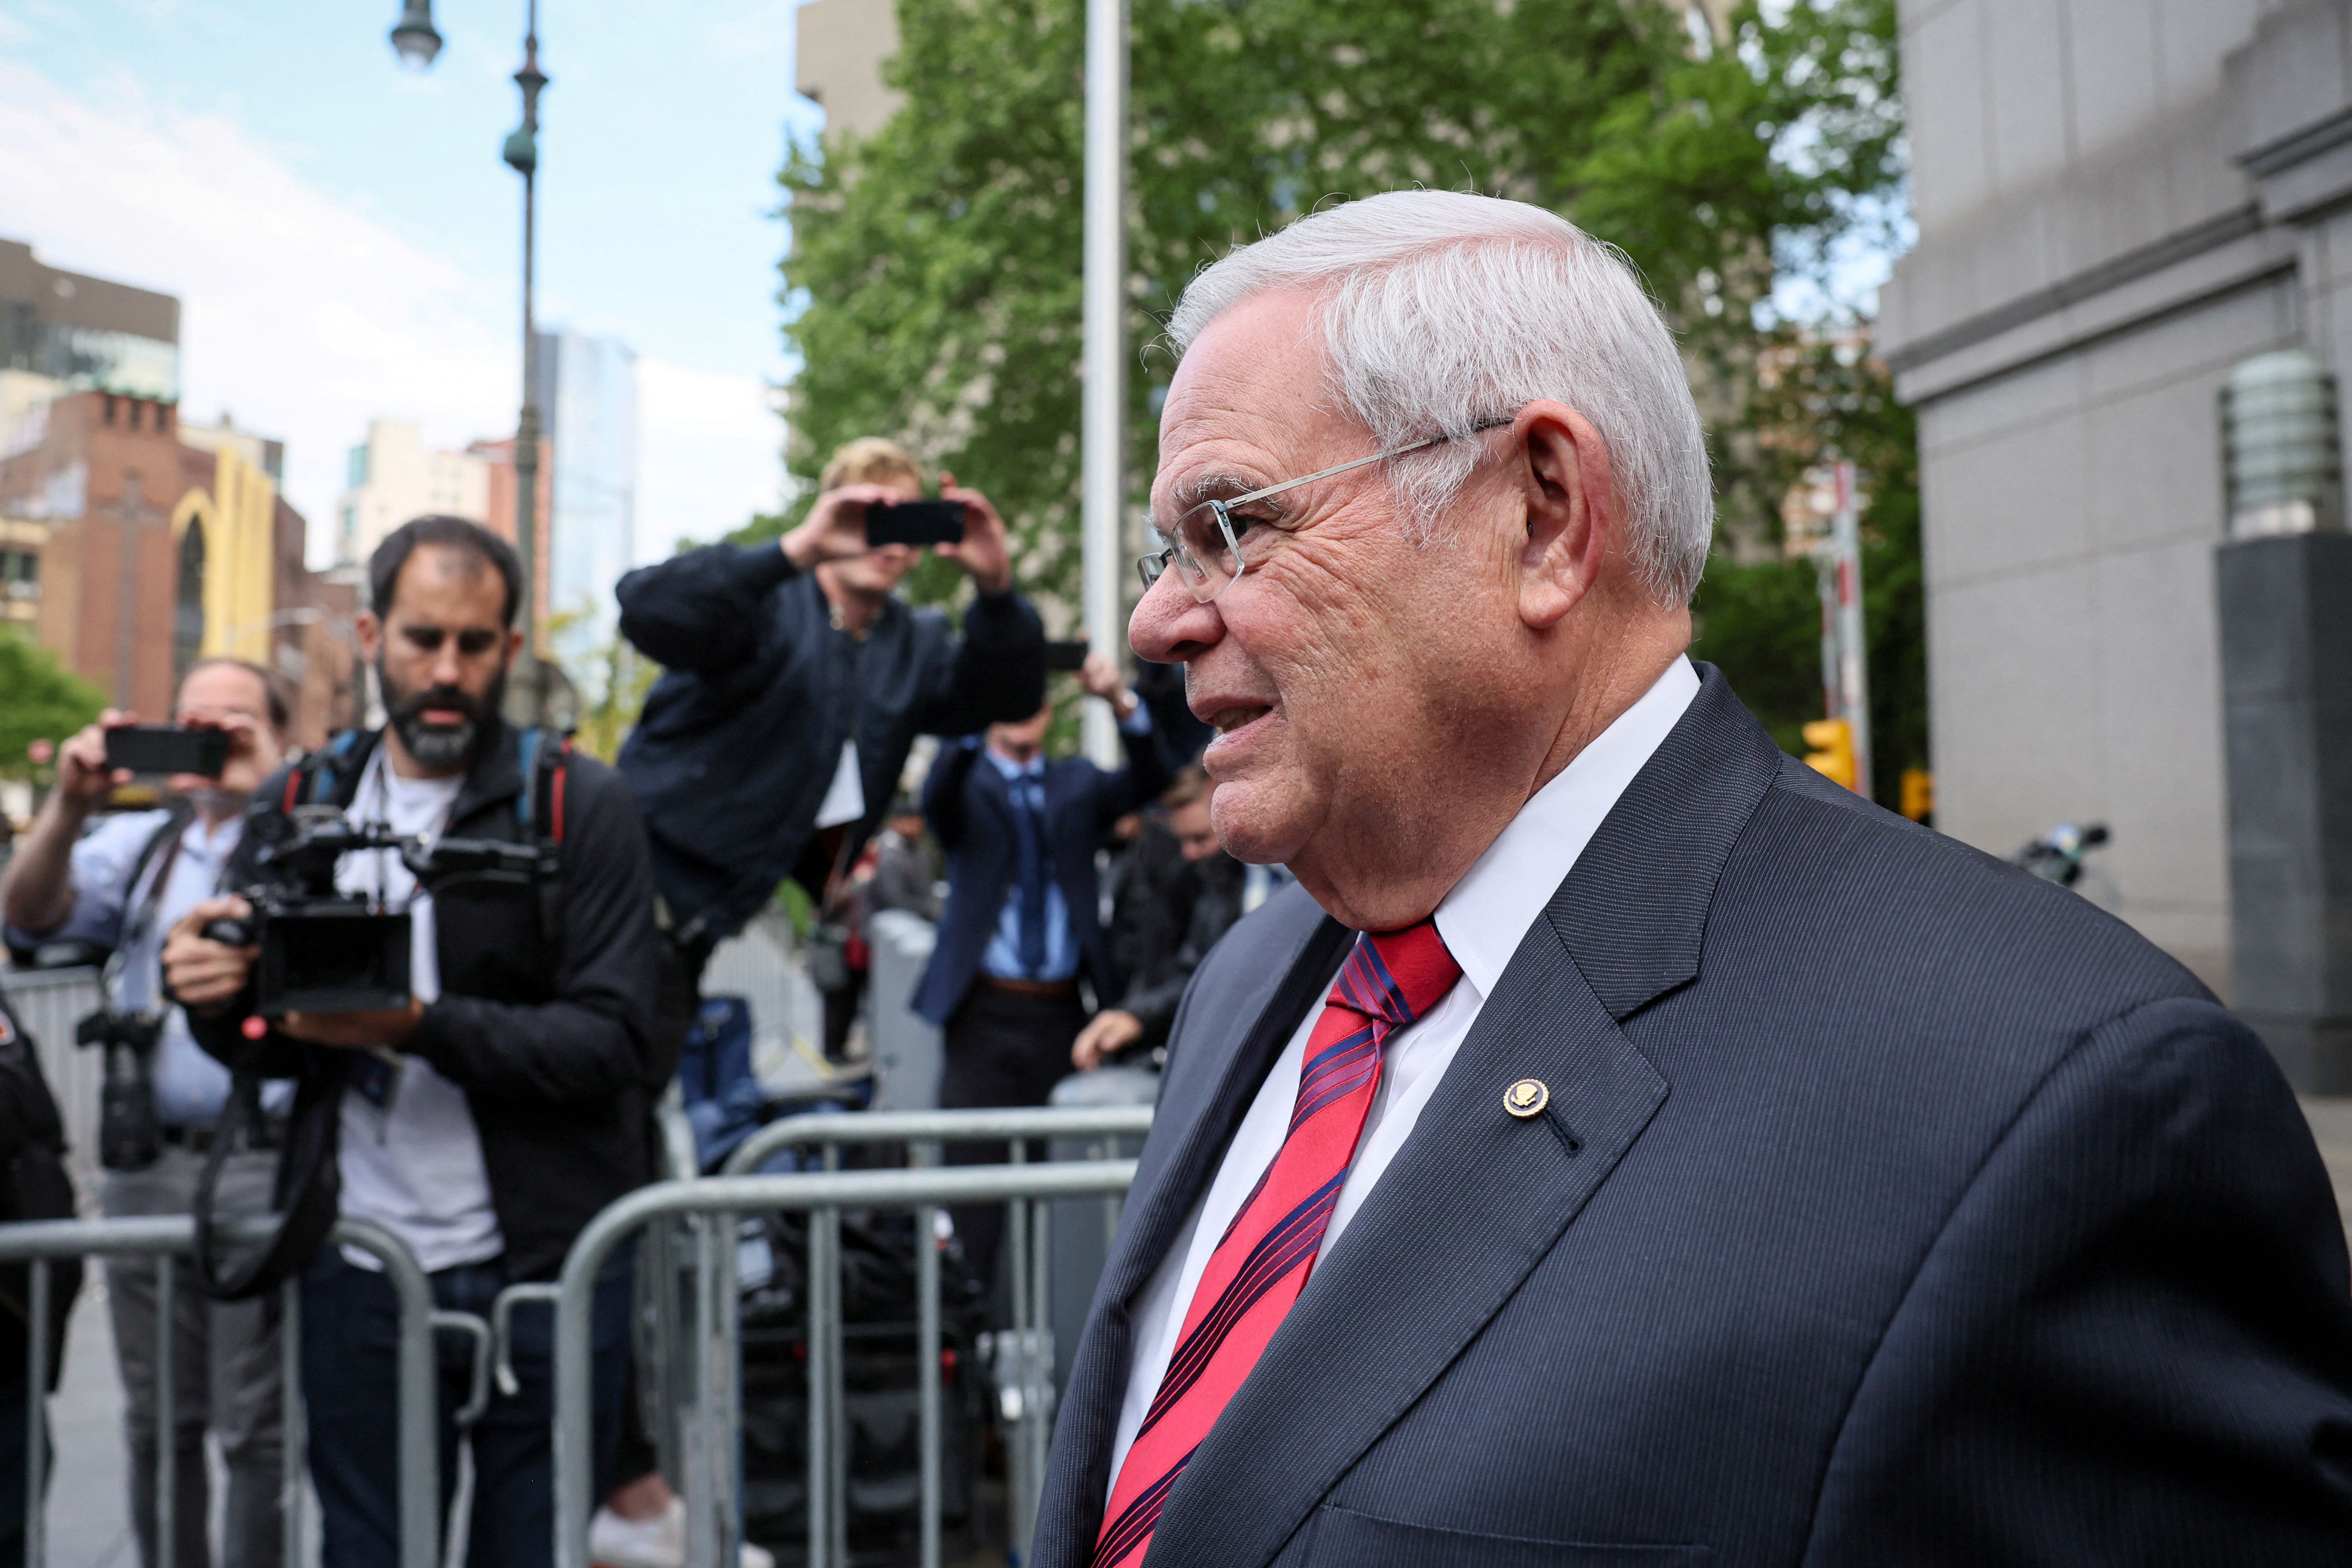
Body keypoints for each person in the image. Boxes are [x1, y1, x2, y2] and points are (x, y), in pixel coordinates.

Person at [1034, 190, 2352, 1568]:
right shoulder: (1257, 985)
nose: (1154, 619)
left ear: (1540, 515)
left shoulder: (2052, 1100)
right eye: (1161, 553)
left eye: (1232, 524)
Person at [160, 517, 659, 1568]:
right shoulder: (299, 800)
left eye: (474, 645)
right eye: (421, 639)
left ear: (510, 649)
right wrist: (210, 993)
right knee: (366, 1548)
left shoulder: (577, 800)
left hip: (547, 1262)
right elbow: (269, 1046)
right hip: (358, 1262)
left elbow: (614, 1040)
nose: (445, 671)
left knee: (526, 1548)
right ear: (369, 634)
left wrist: (418, 1028)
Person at [615, 437, 1046, 1058]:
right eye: (875, 518)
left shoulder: (911, 643)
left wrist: (997, 587)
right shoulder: (764, 601)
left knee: (638, 1081)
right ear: (831, 517)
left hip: (703, 920)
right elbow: (646, 608)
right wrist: (794, 549)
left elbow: (1006, 696)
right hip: (629, 876)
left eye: (909, 523)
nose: (892, 541)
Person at [2, 658, 291, 1568]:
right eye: (193, 720)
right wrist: (71, 803)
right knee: (160, 1413)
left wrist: (272, 784)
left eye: (234, 723)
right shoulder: (144, 844)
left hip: (260, 1156)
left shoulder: (298, 829)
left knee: (256, 1424)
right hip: (144, 1158)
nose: (209, 739)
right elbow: (27, 910)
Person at [909, 652, 1170, 1281]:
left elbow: (1155, 776)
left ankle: (1048, 1338)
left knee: (1062, 1193)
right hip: (981, 1014)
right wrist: (978, 704)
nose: (1020, 709)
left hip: (1061, 1013)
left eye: (1030, 697)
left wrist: (1117, 700)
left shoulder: (1075, 782)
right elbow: (934, 794)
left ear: (1050, 710)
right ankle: (974, 1340)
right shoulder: (967, 781)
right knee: (977, 1186)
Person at [1072, 767, 1261, 1073]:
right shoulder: (1201, 882)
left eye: (1200, 838)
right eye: (1183, 840)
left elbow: (1211, 973)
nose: (1190, 853)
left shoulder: (1248, 884)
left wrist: (1137, 1016)